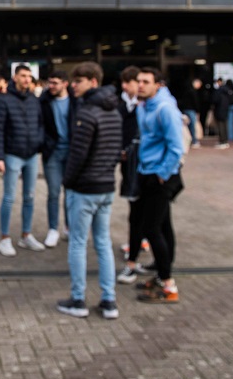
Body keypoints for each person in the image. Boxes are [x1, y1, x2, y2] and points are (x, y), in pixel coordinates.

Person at [55, 62, 123, 319]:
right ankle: (109, 300)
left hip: (84, 188)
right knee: (103, 243)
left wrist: (68, 181)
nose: (73, 85)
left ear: (93, 81)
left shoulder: (87, 112)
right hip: (106, 186)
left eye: (78, 81)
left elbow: (78, 154)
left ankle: (78, 299)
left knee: (78, 243)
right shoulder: (114, 111)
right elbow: (116, 150)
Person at [133, 67, 185, 304]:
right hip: (148, 171)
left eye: (146, 81)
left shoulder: (165, 109)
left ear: (158, 85)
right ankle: (162, 272)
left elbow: (176, 147)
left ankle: (168, 285)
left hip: (161, 175)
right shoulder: (144, 106)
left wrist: (163, 174)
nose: (140, 85)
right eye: (139, 81)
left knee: (151, 228)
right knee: (163, 226)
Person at [0, 64, 46, 256]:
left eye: (29, 76)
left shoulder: (33, 100)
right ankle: (4, 238)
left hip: (31, 155)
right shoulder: (4, 100)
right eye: (23, 75)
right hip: (12, 155)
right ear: (15, 77)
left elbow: (40, 123)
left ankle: (26, 235)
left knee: (29, 197)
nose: (27, 79)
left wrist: (39, 141)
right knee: (9, 198)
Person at [116, 65, 152, 284]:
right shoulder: (122, 106)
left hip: (147, 167)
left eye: (141, 82)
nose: (130, 86)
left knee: (144, 213)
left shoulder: (152, 107)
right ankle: (138, 244)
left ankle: (137, 253)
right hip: (129, 163)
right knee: (136, 209)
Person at [39, 70, 74, 248]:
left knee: (70, 192)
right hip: (52, 152)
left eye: (55, 83)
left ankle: (69, 227)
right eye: (49, 82)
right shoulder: (44, 101)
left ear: (65, 84)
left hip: (72, 153)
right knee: (53, 192)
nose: (51, 86)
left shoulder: (76, 101)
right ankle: (53, 228)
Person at [178, 78, 204, 149]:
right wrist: (198, 110)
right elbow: (195, 102)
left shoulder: (187, 90)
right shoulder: (193, 91)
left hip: (186, 109)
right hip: (191, 110)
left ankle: (189, 140)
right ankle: (194, 141)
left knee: (188, 125)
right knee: (192, 125)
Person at [211, 78, 232, 148]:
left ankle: (222, 141)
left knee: (221, 126)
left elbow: (214, 100)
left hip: (219, 110)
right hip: (225, 110)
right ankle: (224, 140)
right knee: (224, 126)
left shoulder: (219, 91)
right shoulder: (227, 91)